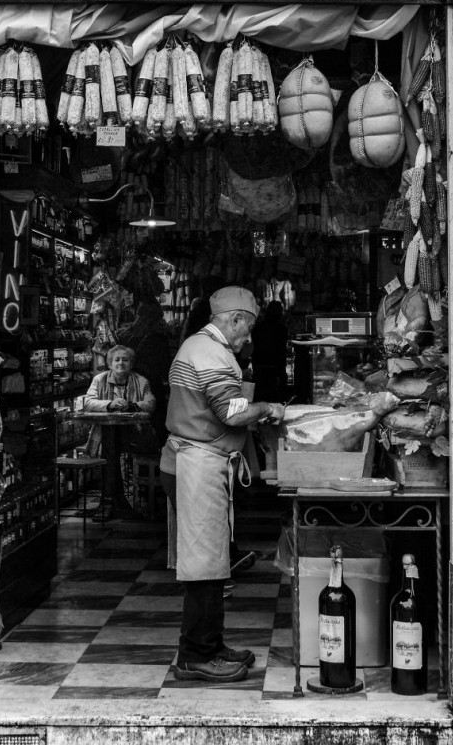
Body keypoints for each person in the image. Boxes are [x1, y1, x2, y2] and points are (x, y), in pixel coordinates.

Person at [164, 285, 285, 683]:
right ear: (234, 320)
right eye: (247, 329)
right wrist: (268, 408)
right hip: (196, 462)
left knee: (214, 560)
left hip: (201, 460)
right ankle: (194, 655)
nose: (248, 339)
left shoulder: (202, 347)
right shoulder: (210, 352)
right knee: (204, 564)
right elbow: (232, 413)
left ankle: (211, 645)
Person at [83, 345, 156, 517]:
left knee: (111, 451)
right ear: (110, 363)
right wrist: (110, 404)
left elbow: (151, 403)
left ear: (131, 363)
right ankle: (112, 500)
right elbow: (88, 402)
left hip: (135, 435)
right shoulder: (99, 379)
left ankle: (110, 501)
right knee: (110, 446)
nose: (120, 363)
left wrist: (132, 405)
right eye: (117, 359)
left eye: (125, 360)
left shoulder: (141, 381)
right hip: (107, 433)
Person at [120, 300, 172, 448]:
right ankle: (155, 455)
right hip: (152, 388)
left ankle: (130, 456)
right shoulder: (159, 339)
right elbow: (166, 369)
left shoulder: (124, 336)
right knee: (157, 429)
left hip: (128, 389)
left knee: (129, 429)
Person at [251, 300, 289, 403]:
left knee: (260, 398)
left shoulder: (257, 328)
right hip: (276, 369)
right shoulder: (282, 329)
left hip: (259, 369)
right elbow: (282, 352)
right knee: (276, 400)